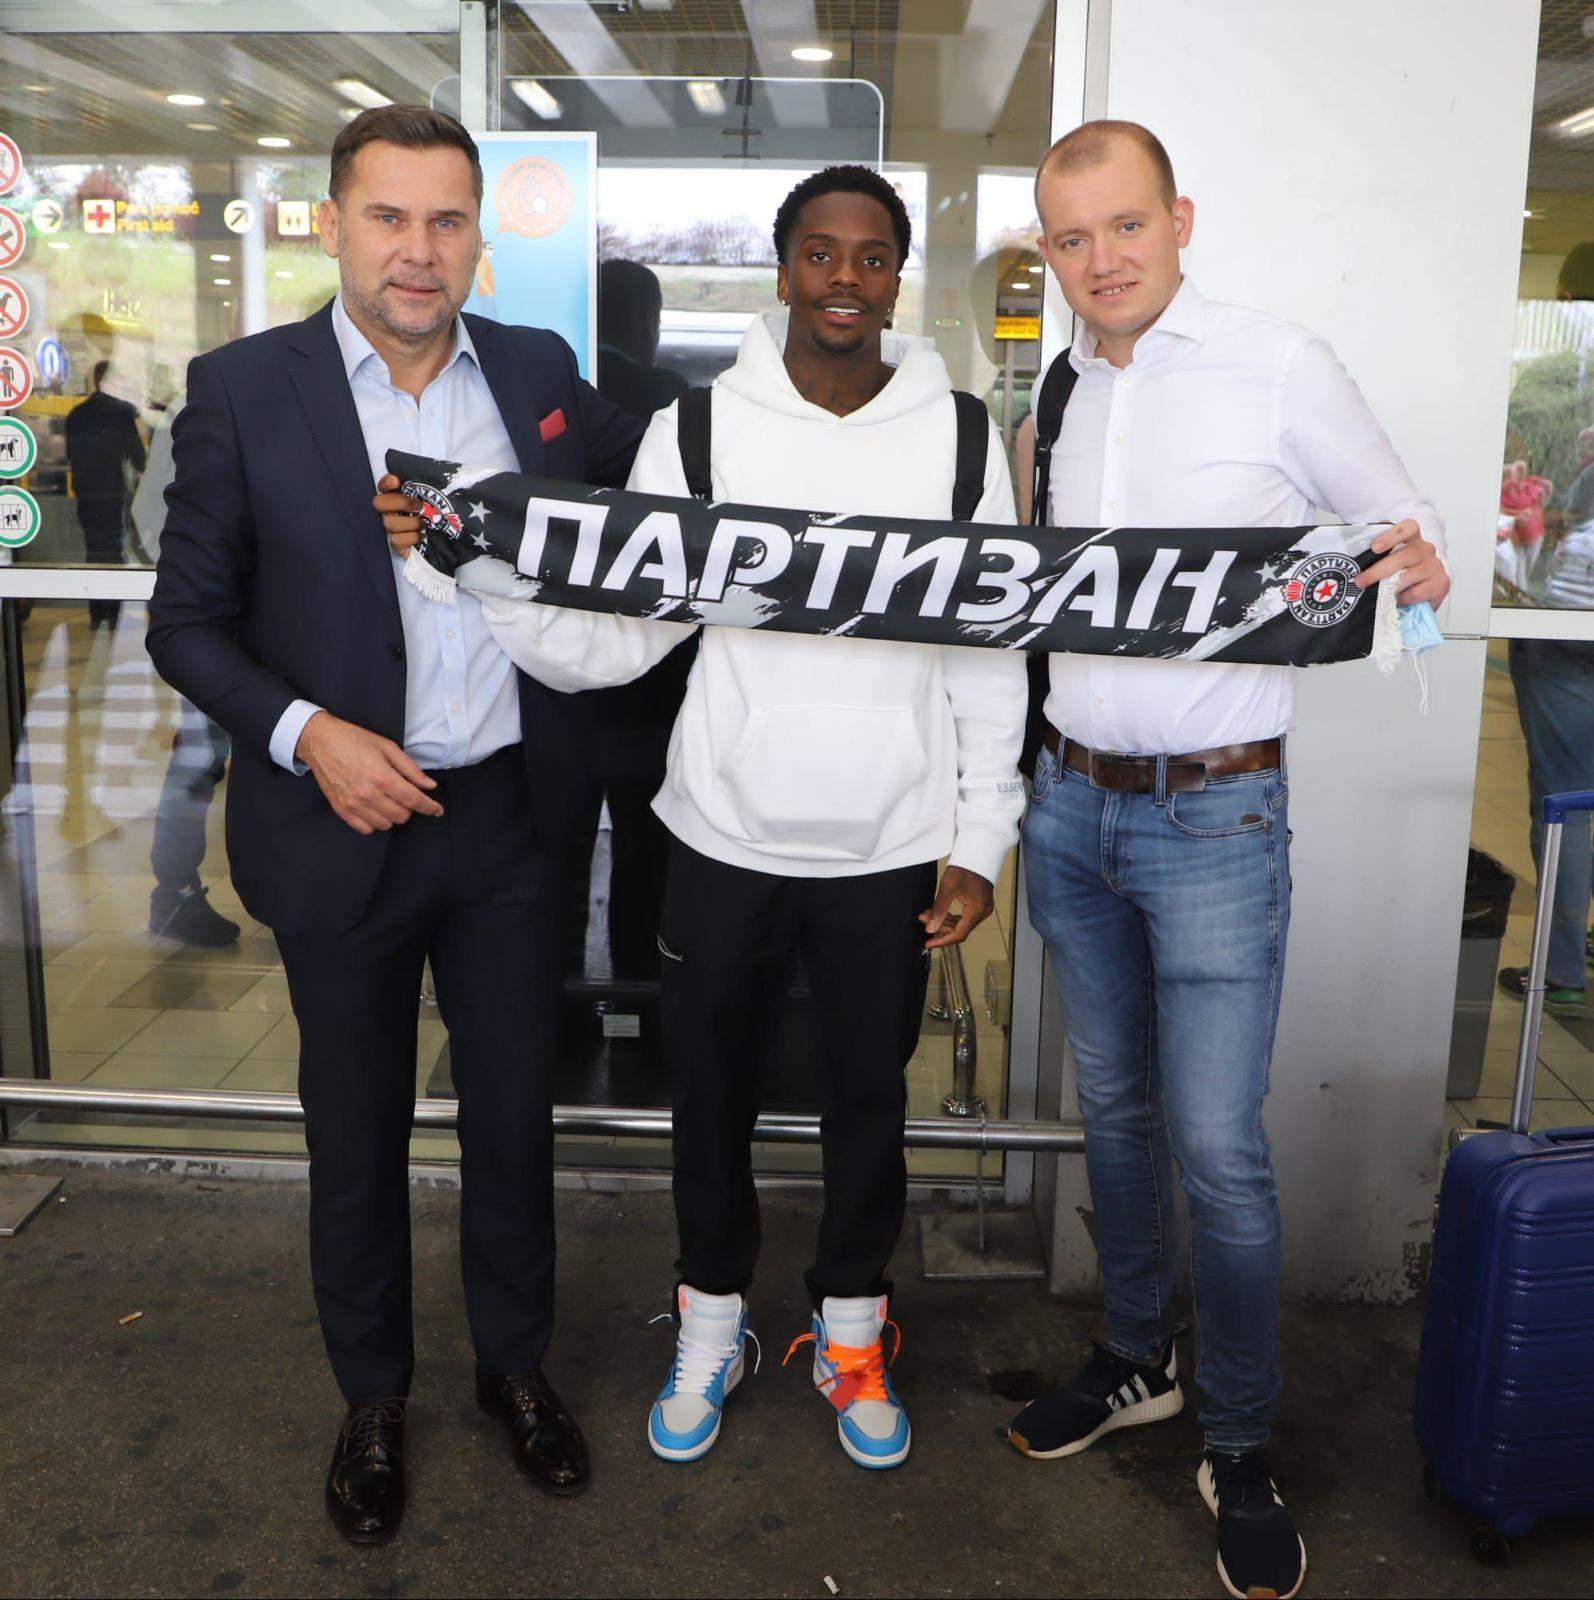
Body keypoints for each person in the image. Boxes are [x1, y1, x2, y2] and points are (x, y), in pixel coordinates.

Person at [383, 164, 1026, 1473]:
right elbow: (623, 632)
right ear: (782, 270)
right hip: (723, 833)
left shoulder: (959, 438)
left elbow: (989, 648)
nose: (844, 277)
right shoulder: (699, 430)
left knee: (867, 1103)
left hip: (892, 841)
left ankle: (852, 1331)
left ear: (894, 278)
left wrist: (979, 836)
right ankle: (711, 1323)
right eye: (820, 252)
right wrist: (476, 571)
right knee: (710, 1098)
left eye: (871, 257)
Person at [146, 104, 643, 1546]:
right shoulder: (245, 389)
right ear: (332, 225)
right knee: (353, 1132)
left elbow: (661, 492)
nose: (417, 252)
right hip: (340, 819)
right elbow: (186, 624)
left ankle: (514, 1369)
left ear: (479, 239)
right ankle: (372, 1398)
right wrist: (309, 735)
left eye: (445, 221)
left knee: (513, 1119)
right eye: (387, 217)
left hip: (509, 822)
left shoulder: (540, 376)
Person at [1004, 122, 1450, 1600]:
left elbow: (1406, 527)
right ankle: (1138, 1361)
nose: (1101, 261)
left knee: (1218, 1147)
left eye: (1125, 226)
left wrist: (1416, 560)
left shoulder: (1276, 364)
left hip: (1214, 818)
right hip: (1070, 807)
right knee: (1115, 1115)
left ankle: (1240, 1438)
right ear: (1047, 251)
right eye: (1072, 238)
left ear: (1179, 220)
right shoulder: (1057, 390)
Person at [64, 359, 146, 628]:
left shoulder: (76, 414)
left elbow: (71, 455)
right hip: (113, 492)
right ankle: (113, 615)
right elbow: (138, 458)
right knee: (114, 551)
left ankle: (96, 614)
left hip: (86, 492)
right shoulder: (123, 415)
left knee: (94, 551)